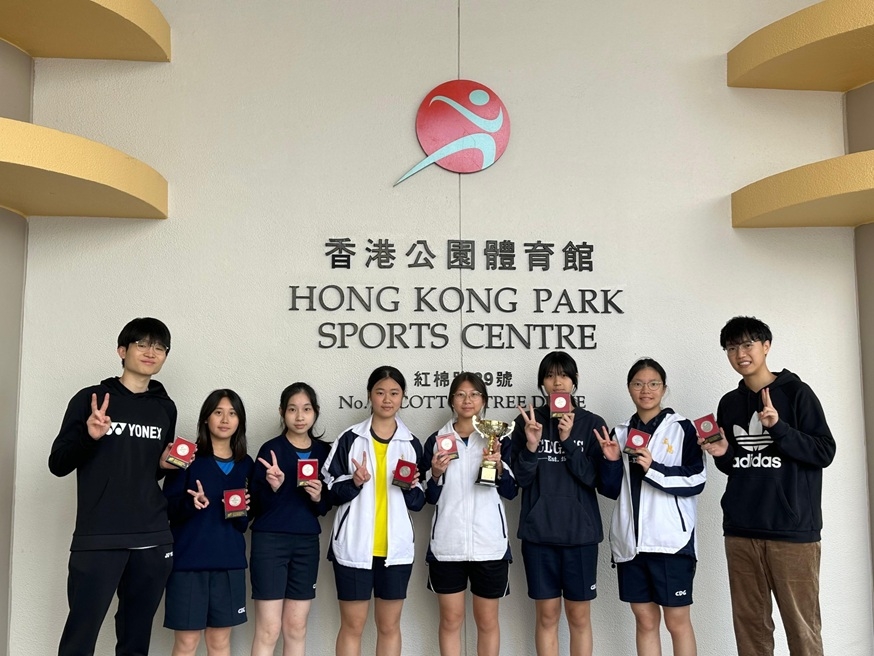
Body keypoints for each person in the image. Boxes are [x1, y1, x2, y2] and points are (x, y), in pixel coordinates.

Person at [701, 316, 835, 656]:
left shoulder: (797, 393)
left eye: (747, 345)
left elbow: (824, 451)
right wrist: (723, 453)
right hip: (741, 531)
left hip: (792, 532)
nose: (740, 354)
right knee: (750, 630)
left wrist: (779, 428)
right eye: (732, 348)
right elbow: (736, 467)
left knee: (802, 629)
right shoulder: (729, 403)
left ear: (766, 346)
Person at [48, 317, 177, 656]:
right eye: (142, 344)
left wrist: (163, 466)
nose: (151, 352)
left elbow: (143, 470)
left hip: (152, 537)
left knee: (136, 642)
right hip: (99, 536)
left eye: (159, 347)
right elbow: (58, 464)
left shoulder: (165, 408)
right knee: (79, 639)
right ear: (122, 350)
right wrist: (89, 437)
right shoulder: (91, 399)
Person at [510, 351, 618, 656]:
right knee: (546, 617)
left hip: (580, 536)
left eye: (564, 375)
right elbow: (519, 480)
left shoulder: (592, 423)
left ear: (575, 380)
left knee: (579, 618)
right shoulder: (527, 422)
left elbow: (598, 481)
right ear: (542, 383)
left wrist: (569, 441)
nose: (557, 382)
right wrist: (532, 446)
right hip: (539, 535)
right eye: (549, 375)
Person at [596, 358, 705, 656]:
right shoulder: (620, 432)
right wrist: (611, 461)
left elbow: (696, 480)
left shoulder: (682, 429)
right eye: (638, 384)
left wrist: (653, 468)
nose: (646, 390)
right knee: (644, 620)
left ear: (664, 388)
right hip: (631, 544)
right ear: (629, 388)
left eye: (653, 383)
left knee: (677, 621)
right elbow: (610, 490)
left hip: (671, 543)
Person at [322, 366, 425, 656]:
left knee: (389, 627)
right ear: (370, 395)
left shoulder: (411, 443)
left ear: (403, 397)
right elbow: (328, 490)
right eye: (380, 392)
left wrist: (410, 487)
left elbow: (419, 501)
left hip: (395, 550)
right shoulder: (350, 439)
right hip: (354, 547)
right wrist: (354, 482)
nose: (387, 399)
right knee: (352, 626)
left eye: (394, 393)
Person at [421, 372, 517, 656]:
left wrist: (498, 466)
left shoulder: (497, 439)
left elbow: (511, 491)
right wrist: (435, 473)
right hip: (447, 545)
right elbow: (428, 497)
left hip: (489, 545)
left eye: (474, 394)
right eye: (461, 394)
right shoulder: (436, 440)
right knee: (451, 620)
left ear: (483, 400)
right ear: (452, 400)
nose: (467, 400)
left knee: (487, 621)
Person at [163, 389, 255, 656]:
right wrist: (191, 503)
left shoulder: (245, 464)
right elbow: (166, 507)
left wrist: (242, 510)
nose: (225, 420)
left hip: (229, 564)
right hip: (188, 564)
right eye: (218, 412)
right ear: (206, 418)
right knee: (187, 643)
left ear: (240, 421)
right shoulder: (187, 457)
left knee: (219, 642)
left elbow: (243, 525)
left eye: (232, 413)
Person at [249, 382, 332, 656]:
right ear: (282, 412)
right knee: (269, 629)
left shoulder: (324, 452)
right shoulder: (270, 450)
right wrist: (273, 487)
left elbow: (326, 506)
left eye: (306, 409)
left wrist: (318, 497)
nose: (299, 417)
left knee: (296, 627)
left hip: (306, 544)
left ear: (315, 412)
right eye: (292, 409)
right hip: (270, 543)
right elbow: (253, 506)